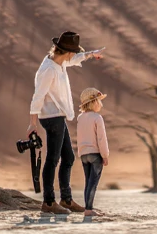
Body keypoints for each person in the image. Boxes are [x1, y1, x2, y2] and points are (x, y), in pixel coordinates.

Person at [27, 31, 105, 215]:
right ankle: (48, 202)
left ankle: (66, 200)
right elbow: (37, 97)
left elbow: (74, 59)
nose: (74, 55)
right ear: (67, 52)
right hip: (51, 118)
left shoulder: (59, 61)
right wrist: (32, 123)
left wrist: (91, 54)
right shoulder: (48, 69)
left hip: (59, 116)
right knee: (53, 160)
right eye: (74, 52)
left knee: (68, 158)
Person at [76, 88, 110, 217]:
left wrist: (81, 152)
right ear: (93, 102)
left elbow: (80, 136)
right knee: (93, 183)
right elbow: (101, 138)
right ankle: (88, 210)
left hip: (84, 154)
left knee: (88, 182)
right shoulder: (97, 118)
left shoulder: (80, 117)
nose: (100, 105)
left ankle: (88, 208)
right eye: (98, 102)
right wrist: (105, 155)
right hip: (95, 154)